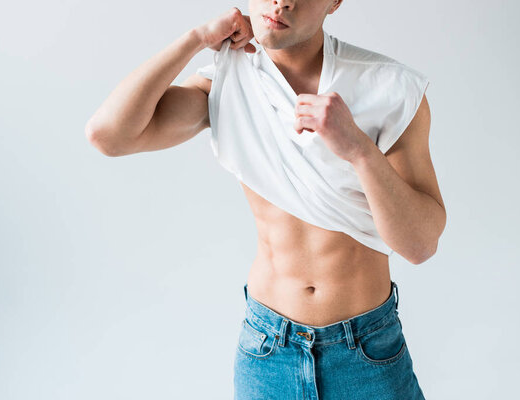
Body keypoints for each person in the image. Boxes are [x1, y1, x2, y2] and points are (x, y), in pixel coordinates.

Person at [85, 1, 446, 398]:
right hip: (268, 349)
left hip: (365, 350)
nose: (282, 1)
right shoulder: (227, 81)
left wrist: (359, 150)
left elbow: (419, 245)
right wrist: (195, 40)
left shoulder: (389, 88)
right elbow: (108, 135)